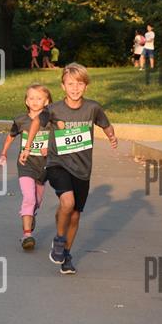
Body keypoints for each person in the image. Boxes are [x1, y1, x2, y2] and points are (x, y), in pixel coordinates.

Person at [20, 63, 118, 275]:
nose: (75, 88)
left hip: (82, 168)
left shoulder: (92, 108)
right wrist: (28, 147)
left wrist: (111, 136)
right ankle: (59, 239)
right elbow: (36, 123)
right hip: (58, 164)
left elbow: (105, 124)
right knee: (68, 202)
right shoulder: (54, 109)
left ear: (86, 86)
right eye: (70, 84)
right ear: (63, 86)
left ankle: (66, 254)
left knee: (74, 215)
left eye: (80, 84)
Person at [0, 84, 52, 251]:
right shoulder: (21, 120)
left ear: (46, 101)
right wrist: (3, 154)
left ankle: (31, 214)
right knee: (29, 198)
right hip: (25, 165)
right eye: (31, 98)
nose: (35, 101)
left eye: (39, 98)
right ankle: (27, 235)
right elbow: (11, 136)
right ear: (26, 101)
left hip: (44, 166)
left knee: (37, 201)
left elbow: (59, 138)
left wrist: (49, 148)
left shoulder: (50, 120)